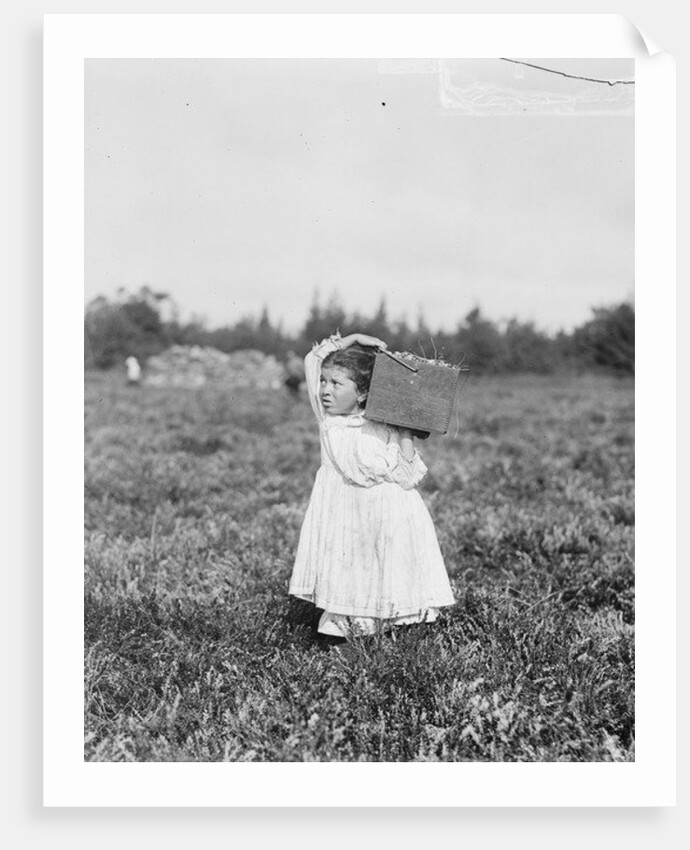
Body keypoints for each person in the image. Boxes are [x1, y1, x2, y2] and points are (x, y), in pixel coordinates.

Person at [289, 332, 455, 639]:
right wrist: (351, 340)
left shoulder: (382, 425)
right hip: (345, 516)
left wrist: (404, 430)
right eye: (324, 382)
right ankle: (346, 637)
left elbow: (407, 477)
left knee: (388, 574)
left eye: (336, 384)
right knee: (351, 575)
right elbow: (313, 360)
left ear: (363, 393)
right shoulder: (328, 420)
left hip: (389, 516)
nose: (325, 389)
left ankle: (396, 636)